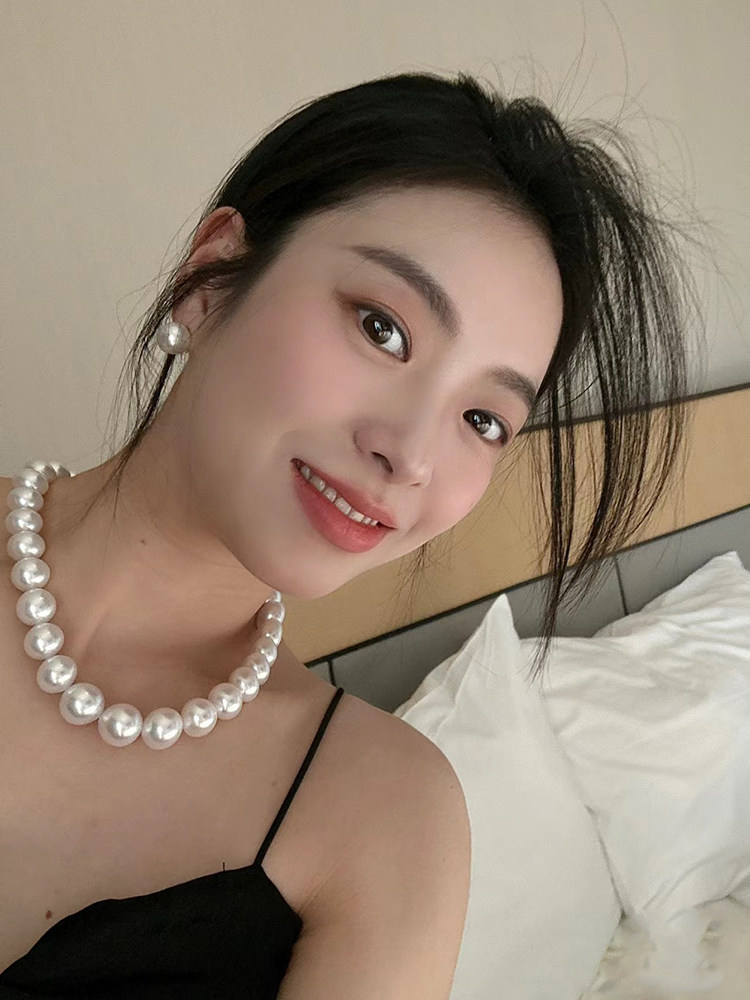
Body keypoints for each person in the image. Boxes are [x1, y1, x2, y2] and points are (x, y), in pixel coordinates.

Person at [1, 69, 698, 998]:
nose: (410, 455)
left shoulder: (386, 818)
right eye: (383, 329)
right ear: (210, 278)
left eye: (483, 420)